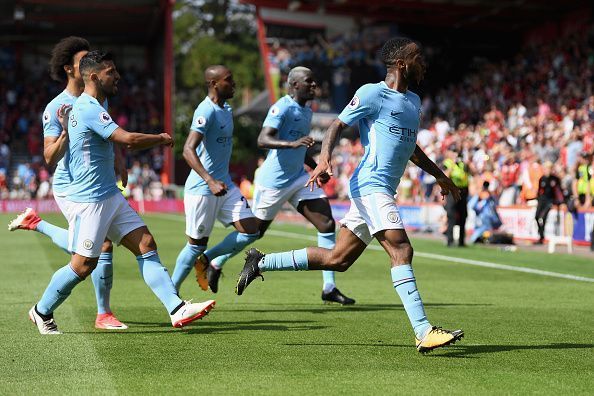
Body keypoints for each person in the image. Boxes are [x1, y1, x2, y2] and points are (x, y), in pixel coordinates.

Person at [235, 38, 464, 353]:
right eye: (417, 57)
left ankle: (261, 261)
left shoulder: (413, 101)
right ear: (401, 63)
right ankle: (423, 330)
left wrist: (441, 176)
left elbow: (411, 149)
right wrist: (325, 158)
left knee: (337, 259)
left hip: (381, 188)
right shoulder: (372, 93)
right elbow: (335, 126)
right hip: (371, 185)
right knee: (401, 250)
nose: (423, 63)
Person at [28, 51, 215, 335]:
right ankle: (41, 311)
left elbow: (111, 142)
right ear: (93, 77)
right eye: (111, 72)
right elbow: (127, 139)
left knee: (146, 245)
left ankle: (176, 309)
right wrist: (161, 138)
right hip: (89, 200)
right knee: (82, 265)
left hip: (109, 196)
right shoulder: (88, 107)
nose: (117, 77)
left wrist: (119, 163)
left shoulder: (97, 103)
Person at [207, 66, 355, 304]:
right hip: (273, 182)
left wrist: (315, 167)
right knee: (254, 234)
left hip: (297, 178)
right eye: (310, 82)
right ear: (295, 85)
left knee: (326, 223)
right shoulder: (282, 107)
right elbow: (263, 139)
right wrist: (294, 143)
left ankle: (329, 287)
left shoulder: (306, 110)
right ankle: (216, 261)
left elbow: (300, 147)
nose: (314, 86)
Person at [8, 36, 128, 330]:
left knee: (91, 247)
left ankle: (36, 223)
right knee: (99, 247)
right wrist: (64, 132)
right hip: (70, 186)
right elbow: (49, 157)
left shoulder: (100, 97)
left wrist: (119, 161)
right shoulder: (55, 107)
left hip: (95, 183)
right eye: (82, 61)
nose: (91, 65)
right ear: (69, 69)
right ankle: (99, 313)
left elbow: (106, 135)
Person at [170, 65, 259, 292]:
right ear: (214, 84)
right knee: (194, 246)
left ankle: (208, 258)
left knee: (251, 230)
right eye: (229, 80)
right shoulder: (205, 111)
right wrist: (209, 180)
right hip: (203, 188)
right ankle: (170, 292)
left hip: (225, 184)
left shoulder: (226, 109)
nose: (234, 84)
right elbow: (188, 150)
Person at [443, 149, 469, 247]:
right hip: (452, 191)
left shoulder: (463, 164)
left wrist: (467, 162)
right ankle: (450, 240)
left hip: (463, 191)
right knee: (451, 216)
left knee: (463, 216)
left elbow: (470, 173)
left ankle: (461, 241)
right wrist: (453, 165)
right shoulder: (448, 163)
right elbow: (446, 175)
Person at [534, 161, 563, 245]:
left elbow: (558, 191)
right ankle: (541, 234)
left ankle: (541, 237)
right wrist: (538, 199)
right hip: (542, 200)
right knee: (536, 217)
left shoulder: (555, 179)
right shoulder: (542, 179)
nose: (548, 170)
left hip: (550, 201)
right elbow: (539, 191)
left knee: (543, 218)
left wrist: (558, 201)